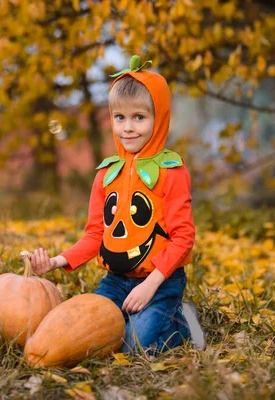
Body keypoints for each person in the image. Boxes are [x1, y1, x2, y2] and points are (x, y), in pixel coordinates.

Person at [30, 56, 205, 353]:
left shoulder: (171, 172)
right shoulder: (106, 174)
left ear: (159, 117)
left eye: (139, 117)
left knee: (133, 345)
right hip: (115, 281)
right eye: (119, 117)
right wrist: (57, 261)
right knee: (88, 334)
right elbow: (95, 235)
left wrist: (150, 284)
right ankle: (145, 319)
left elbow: (183, 237)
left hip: (161, 282)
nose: (128, 128)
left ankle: (182, 323)